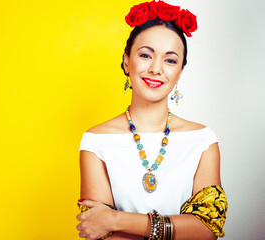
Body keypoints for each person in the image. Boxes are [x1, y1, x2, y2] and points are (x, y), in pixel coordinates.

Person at [76, 1, 228, 240]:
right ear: (127, 61)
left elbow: (207, 230)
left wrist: (117, 219)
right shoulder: (96, 141)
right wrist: (180, 227)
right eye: (146, 55)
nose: (156, 68)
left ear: (180, 72)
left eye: (170, 60)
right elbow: (97, 229)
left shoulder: (203, 141)